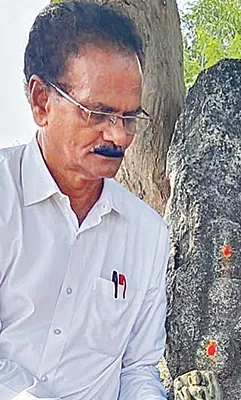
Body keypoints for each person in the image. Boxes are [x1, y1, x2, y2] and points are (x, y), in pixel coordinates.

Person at [0, 2, 168, 399]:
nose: (120, 136)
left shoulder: (146, 234)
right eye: (98, 113)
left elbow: (139, 368)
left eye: (130, 117)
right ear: (42, 102)